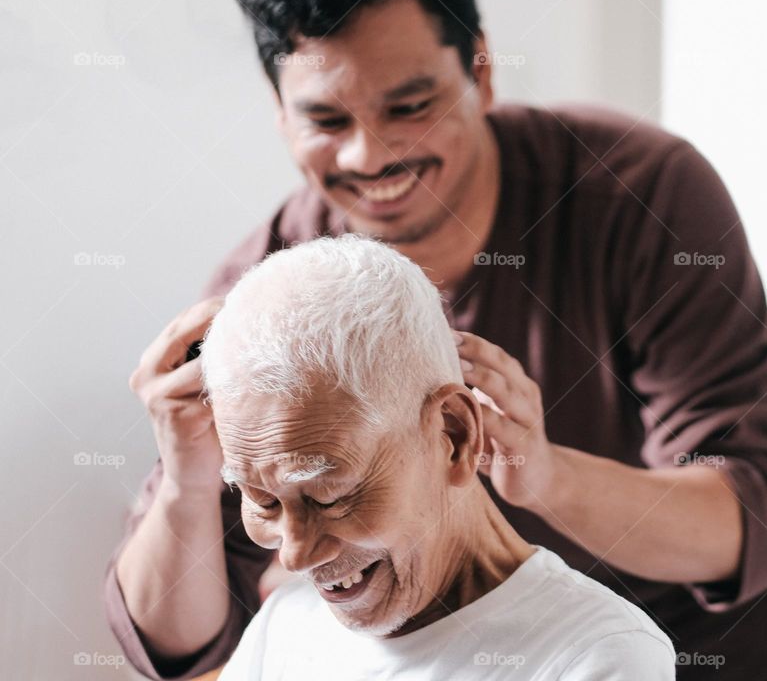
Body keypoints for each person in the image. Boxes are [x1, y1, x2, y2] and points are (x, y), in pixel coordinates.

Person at [105, 0, 767, 679]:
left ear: (483, 71)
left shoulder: (640, 198)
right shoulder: (268, 289)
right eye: (327, 119)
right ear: (279, 111)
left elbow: (751, 525)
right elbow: (178, 647)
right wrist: (186, 483)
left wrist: (547, 478)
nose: (370, 155)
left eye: (410, 107)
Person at [195, 233, 675, 679]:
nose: (294, 556)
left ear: (454, 436)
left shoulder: (596, 654)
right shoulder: (286, 622)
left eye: (328, 496)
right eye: (264, 502)